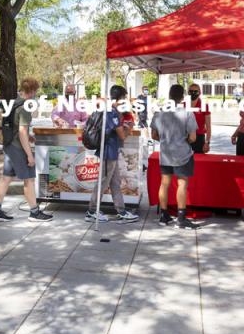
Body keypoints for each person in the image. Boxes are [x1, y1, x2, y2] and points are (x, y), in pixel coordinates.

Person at [0, 78, 53, 223]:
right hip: (18, 147)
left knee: (6, 178)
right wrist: (29, 155)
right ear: (31, 91)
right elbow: (22, 132)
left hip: (8, 145)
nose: (36, 94)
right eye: (35, 91)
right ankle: (34, 213)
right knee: (29, 179)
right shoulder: (26, 107)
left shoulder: (14, 102)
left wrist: (29, 136)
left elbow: (16, 127)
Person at [85, 85, 139, 223]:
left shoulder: (110, 109)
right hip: (108, 151)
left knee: (115, 182)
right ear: (120, 98)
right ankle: (91, 211)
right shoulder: (112, 112)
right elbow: (121, 135)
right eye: (125, 98)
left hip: (111, 151)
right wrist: (129, 128)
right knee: (103, 182)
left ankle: (121, 210)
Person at [151, 84, 199, 229]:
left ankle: (164, 215)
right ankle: (181, 218)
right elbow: (193, 137)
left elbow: (154, 135)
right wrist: (183, 141)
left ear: (169, 96)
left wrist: (166, 141)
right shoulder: (187, 113)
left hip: (165, 153)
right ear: (183, 97)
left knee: (164, 184)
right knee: (182, 184)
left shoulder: (159, 113)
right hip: (182, 154)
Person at [187, 83, 211, 154]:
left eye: (195, 91)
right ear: (188, 92)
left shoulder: (204, 105)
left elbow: (208, 127)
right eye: (191, 91)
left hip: (199, 138)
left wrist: (207, 142)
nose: (193, 93)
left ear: (200, 92)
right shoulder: (183, 105)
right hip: (185, 138)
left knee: (198, 162)